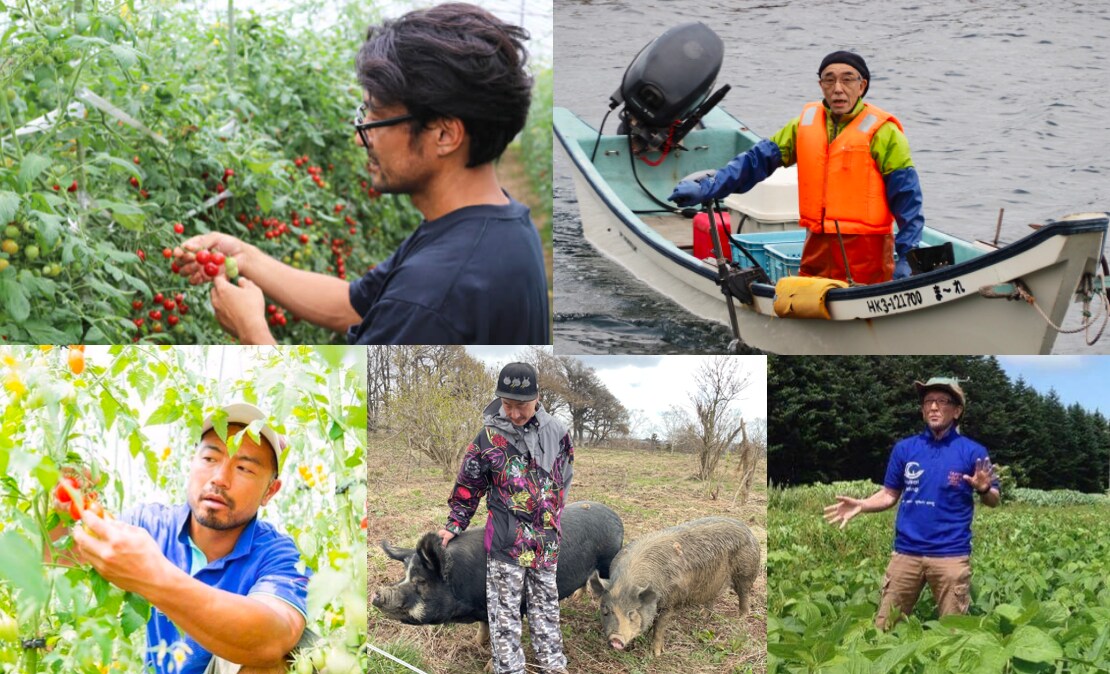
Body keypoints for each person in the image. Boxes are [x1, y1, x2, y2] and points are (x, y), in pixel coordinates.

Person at [174, 3, 549, 345]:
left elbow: (338, 421)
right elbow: (352, 305)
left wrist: (251, 331)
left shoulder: (432, 294)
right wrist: (246, 256)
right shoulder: (495, 225)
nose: (360, 138)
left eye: (376, 118)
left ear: (444, 134)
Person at [54, 403, 311, 674]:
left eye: (244, 468)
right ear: (192, 462)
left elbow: (274, 638)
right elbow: (61, 559)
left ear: (270, 491)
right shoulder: (149, 525)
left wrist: (154, 577)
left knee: (287, 656)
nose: (220, 478)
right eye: (210, 459)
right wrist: (65, 510)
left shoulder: (280, 555)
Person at [669, 51, 925, 285]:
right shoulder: (803, 125)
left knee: (861, 304)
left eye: (847, 80)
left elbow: (907, 198)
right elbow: (755, 161)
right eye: (829, 80)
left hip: (867, 252)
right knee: (808, 304)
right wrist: (710, 187)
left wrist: (909, 253)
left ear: (862, 86)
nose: (838, 89)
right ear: (820, 85)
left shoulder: (884, 132)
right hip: (816, 247)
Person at [823, 377, 1000, 629]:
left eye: (942, 401)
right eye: (928, 401)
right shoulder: (905, 449)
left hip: (951, 556)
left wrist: (984, 489)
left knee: (955, 635)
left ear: (957, 410)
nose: (934, 407)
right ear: (922, 410)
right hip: (906, 553)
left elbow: (994, 499)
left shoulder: (973, 451)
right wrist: (862, 504)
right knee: (884, 628)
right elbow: (888, 494)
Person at [437, 362, 574, 674]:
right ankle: (509, 669)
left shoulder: (558, 434)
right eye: (508, 405)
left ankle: (554, 667)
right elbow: (469, 485)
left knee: (545, 612)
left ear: (537, 398)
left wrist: (550, 517)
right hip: (505, 545)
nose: (514, 413)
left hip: (545, 545)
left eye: (521, 406)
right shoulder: (487, 437)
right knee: (504, 617)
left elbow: (563, 481)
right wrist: (454, 525)